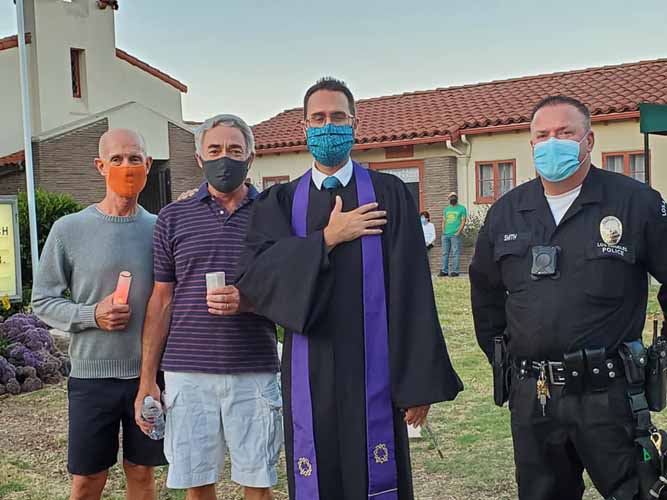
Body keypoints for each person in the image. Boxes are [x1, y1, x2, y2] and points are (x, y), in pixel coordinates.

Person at [235, 77, 463, 500]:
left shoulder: (389, 194)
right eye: (318, 118)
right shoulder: (281, 202)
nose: (328, 127)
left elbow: (413, 290)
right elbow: (257, 276)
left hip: (375, 366)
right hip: (310, 368)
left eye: (338, 117)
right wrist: (326, 239)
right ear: (304, 127)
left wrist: (417, 383)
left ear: (355, 124)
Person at [470, 95, 667, 500]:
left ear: (588, 140)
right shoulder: (506, 212)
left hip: (609, 392)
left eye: (564, 133)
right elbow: (486, 294)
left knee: (635, 492)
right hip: (534, 397)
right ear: (531, 144)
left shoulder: (636, 203)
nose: (552, 143)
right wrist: (510, 359)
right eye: (542, 135)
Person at [134, 114, 281, 500]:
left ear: (250, 157)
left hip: (254, 368)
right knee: (197, 485)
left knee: (258, 484)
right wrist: (148, 378)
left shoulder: (274, 214)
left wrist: (248, 301)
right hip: (187, 373)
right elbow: (161, 299)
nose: (223, 158)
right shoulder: (173, 217)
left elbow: (289, 287)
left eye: (234, 150)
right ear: (199, 158)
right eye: (214, 150)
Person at [32, 129, 166, 500]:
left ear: (148, 164)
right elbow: (42, 300)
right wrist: (93, 314)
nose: (127, 166)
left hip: (147, 377)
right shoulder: (69, 230)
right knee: (87, 481)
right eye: (117, 159)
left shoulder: (160, 229)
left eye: (135, 158)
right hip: (91, 379)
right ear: (100, 166)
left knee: (142, 474)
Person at [439, 192, 466, 277]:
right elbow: (444, 220)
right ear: (448, 199)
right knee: (445, 253)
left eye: (454, 196)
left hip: (455, 234)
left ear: (456, 198)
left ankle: (455, 271)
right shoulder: (446, 209)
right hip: (445, 234)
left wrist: (458, 232)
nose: (452, 198)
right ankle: (444, 271)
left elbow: (463, 221)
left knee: (455, 253)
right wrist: (443, 231)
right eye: (451, 197)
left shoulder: (462, 208)